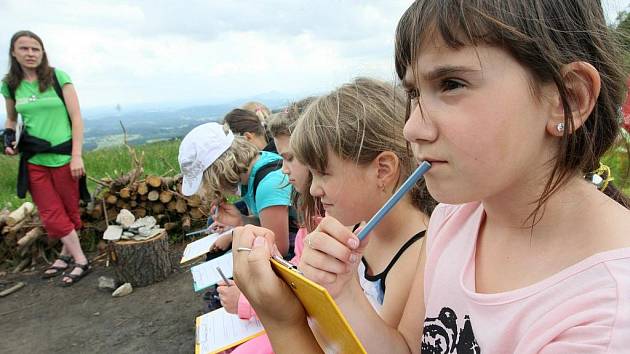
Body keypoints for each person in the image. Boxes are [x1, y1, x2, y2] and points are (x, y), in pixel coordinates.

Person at [230, 0, 630, 353]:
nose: (411, 129)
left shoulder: (606, 314)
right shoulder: (455, 219)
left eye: (451, 84)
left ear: (570, 99)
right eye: (415, 94)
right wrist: (344, 290)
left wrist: (284, 323)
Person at [220, 97, 322, 354]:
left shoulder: (330, 217)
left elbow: (313, 289)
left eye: (289, 158)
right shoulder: (311, 213)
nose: (283, 170)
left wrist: (247, 301)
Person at [1, 30, 90, 286]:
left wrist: (76, 156)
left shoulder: (58, 77)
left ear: (42, 52)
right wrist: (10, 138)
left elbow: (76, 118)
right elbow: (11, 119)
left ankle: (66, 254)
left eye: (35, 49)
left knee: (69, 210)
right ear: (13, 52)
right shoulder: (10, 84)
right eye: (24, 48)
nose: (30, 54)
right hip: (34, 158)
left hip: (64, 157)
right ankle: (82, 260)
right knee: (51, 214)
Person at [178, 122, 293, 257]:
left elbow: (279, 249)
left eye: (210, 183)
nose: (216, 190)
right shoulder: (253, 167)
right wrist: (240, 221)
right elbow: (263, 224)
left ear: (219, 171)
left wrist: (235, 236)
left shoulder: (267, 185)